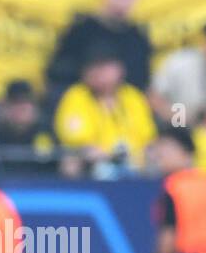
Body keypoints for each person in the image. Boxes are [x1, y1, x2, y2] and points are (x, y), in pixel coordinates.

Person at [46, 0, 152, 106]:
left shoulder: (138, 38)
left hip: (123, 106)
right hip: (81, 100)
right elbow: (56, 70)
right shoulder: (82, 29)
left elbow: (142, 81)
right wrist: (91, 77)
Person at [54, 46, 156, 176]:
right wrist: (108, 156)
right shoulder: (76, 95)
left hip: (136, 163)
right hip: (96, 164)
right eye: (93, 67)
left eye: (104, 67)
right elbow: (76, 140)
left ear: (119, 69)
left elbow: (148, 136)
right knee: (71, 160)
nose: (98, 73)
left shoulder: (133, 96)